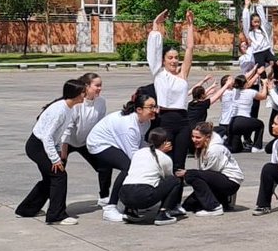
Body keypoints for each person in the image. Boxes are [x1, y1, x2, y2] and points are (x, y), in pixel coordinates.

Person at [14, 79, 87, 225]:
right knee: (59, 176)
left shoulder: (69, 108)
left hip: (45, 145)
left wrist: (59, 152)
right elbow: (47, 136)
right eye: (83, 93)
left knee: (50, 178)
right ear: (75, 94)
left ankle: (26, 209)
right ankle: (56, 215)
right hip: (38, 146)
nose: (84, 95)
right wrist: (55, 159)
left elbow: (58, 134)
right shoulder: (60, 110)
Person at [89, 91, 159, 222]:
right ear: (139, 109)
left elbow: (140, 142)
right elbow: (133, 155)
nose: (155, 110)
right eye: (151, 107)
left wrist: (154, 153)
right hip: (98, 144)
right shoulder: (129, 126)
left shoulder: (146, 122)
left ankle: (126, 202)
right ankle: (111, 207)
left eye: (155, 106)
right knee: (128, 167)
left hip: (115, 141)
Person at [149, 9, 196, 170]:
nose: (174, 60)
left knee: (179, 162)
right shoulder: (159, 73)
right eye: (170, 57)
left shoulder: (183, 74)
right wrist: (156, 25)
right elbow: (153, 52)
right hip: (165, 120)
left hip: (183, 120)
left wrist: (190, 25)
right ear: (163, 60)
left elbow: (190, 48)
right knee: (164, 160)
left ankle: (177, 191)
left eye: (176, 57)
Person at [59, 72, 111, 205]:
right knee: (58, 172)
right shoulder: (77, 103)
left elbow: (100, 125)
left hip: (86, 142)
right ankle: (53, 203)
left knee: (105, 165)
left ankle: (104, 197)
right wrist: (63, 152)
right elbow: (67, 129)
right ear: (86, 87)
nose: (99, 88)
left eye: (101, 85)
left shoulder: (101, 102)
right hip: (66, 142)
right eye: (97, 86)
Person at [177, 122, 244, 216]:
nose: (194, 140)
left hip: (230, 181)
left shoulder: (214, 149)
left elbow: (209, 173)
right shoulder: (204, 146)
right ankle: (222, 201)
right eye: (193, 136)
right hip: (218, 179)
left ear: (207, 137)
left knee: (191, 175)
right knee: (188, 205)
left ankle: (214, 207)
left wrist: (187, 174)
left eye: (198, 137)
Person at [120, 128, 185, 225]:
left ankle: (130, 210)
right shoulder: (165, 158)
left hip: (124, 195)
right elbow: (168, 179)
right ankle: (163, 213)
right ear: (165, 143)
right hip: (143, 196)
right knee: (175, 181)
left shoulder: (139, 152)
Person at [215, 69, 268, 153]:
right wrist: (265, 84)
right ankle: (257, 147)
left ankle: (220, 147)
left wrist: (255, 72)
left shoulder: (235, 91)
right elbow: (263, 96)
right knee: (260, 125)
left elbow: (244, 82)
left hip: (233, 122)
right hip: (243, 120)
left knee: (236, 149)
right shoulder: (250, 92)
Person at [243, 0, 275, 71]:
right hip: (258, 53)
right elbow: (245, 20)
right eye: (255, 22)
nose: (257, 23)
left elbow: (262, 17)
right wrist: (246, 6)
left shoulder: (263, 29)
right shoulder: (249, 32)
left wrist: (258, 3)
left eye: (258, 22)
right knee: (261, 71)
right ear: (251, 22)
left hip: (266, 51)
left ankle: (275, 79)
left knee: (276, 64)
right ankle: (262, 81)